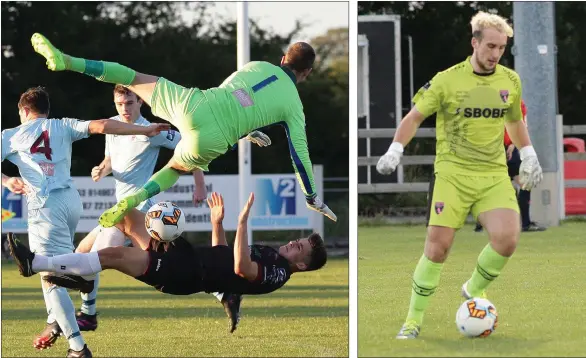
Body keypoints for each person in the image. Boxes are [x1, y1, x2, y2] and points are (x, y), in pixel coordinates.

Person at [30, 33, 337, 228]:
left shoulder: (258, 65)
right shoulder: (294, 106)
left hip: (195, 104)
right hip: (215, 137)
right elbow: (300, 156)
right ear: (307, 72)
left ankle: (68, 60)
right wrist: (311, 196)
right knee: (176, 167)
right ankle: (133, 201)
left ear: (283, 58)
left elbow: (231, 96)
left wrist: (245, 129)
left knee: (132, 76)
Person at [376, 11, 543, 339]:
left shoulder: (510, 80)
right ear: (475, 42)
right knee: (438, 247)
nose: (496, 54)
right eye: (491, 46)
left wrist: (529, 154)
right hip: (452, 174)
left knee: (508, 239)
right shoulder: (447, 80)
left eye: (502, 48)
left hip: (492, 175)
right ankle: (412, 321)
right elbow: (414, 117)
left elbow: (514, 121)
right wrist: (396, 148)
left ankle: (473, 288)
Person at [1, 86, 169, 357]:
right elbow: (103, 126)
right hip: (70, 202)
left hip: (45, 205)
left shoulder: (11, 135)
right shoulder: (63, 125)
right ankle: (68, 297)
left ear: (23, 110)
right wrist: (144, 129)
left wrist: (7, 181)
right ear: (46, 110)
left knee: (49, 275)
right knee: (61, 264)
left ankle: (77, 346)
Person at [7, 192, 328, 306]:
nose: (290, 243)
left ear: (301, 265)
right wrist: (219, 222)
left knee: (115, 257)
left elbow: (242, 268)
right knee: (124, 215)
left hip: (186, 275)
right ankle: (84, 276)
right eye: (295, 241)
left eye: (297, 247)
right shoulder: (274, 255)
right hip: (188, 255)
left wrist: (242, 224)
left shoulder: (278, 273)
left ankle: (35, 263)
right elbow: (223, 254)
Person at [474, 100, 546, 232]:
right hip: (500, 148)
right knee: (519, 184)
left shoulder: (511, 101)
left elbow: (520, 123)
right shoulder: (508, 101)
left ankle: (482, 224)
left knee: (516, 184)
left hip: (502, 147)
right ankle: (523, 223)